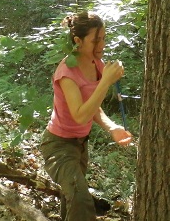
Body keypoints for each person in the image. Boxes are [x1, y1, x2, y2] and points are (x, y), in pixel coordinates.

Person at [40, 12, 133, 221]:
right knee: (81, 199)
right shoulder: (67, 72)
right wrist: (106, 82)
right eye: (95, 40)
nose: (101, 45)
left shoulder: (96, 65)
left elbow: (93, 108)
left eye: (103, 38)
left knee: (72, 199)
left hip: (80, 146)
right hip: (58, 146)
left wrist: (112, 127)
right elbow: (80, 115)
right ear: (78, 41)